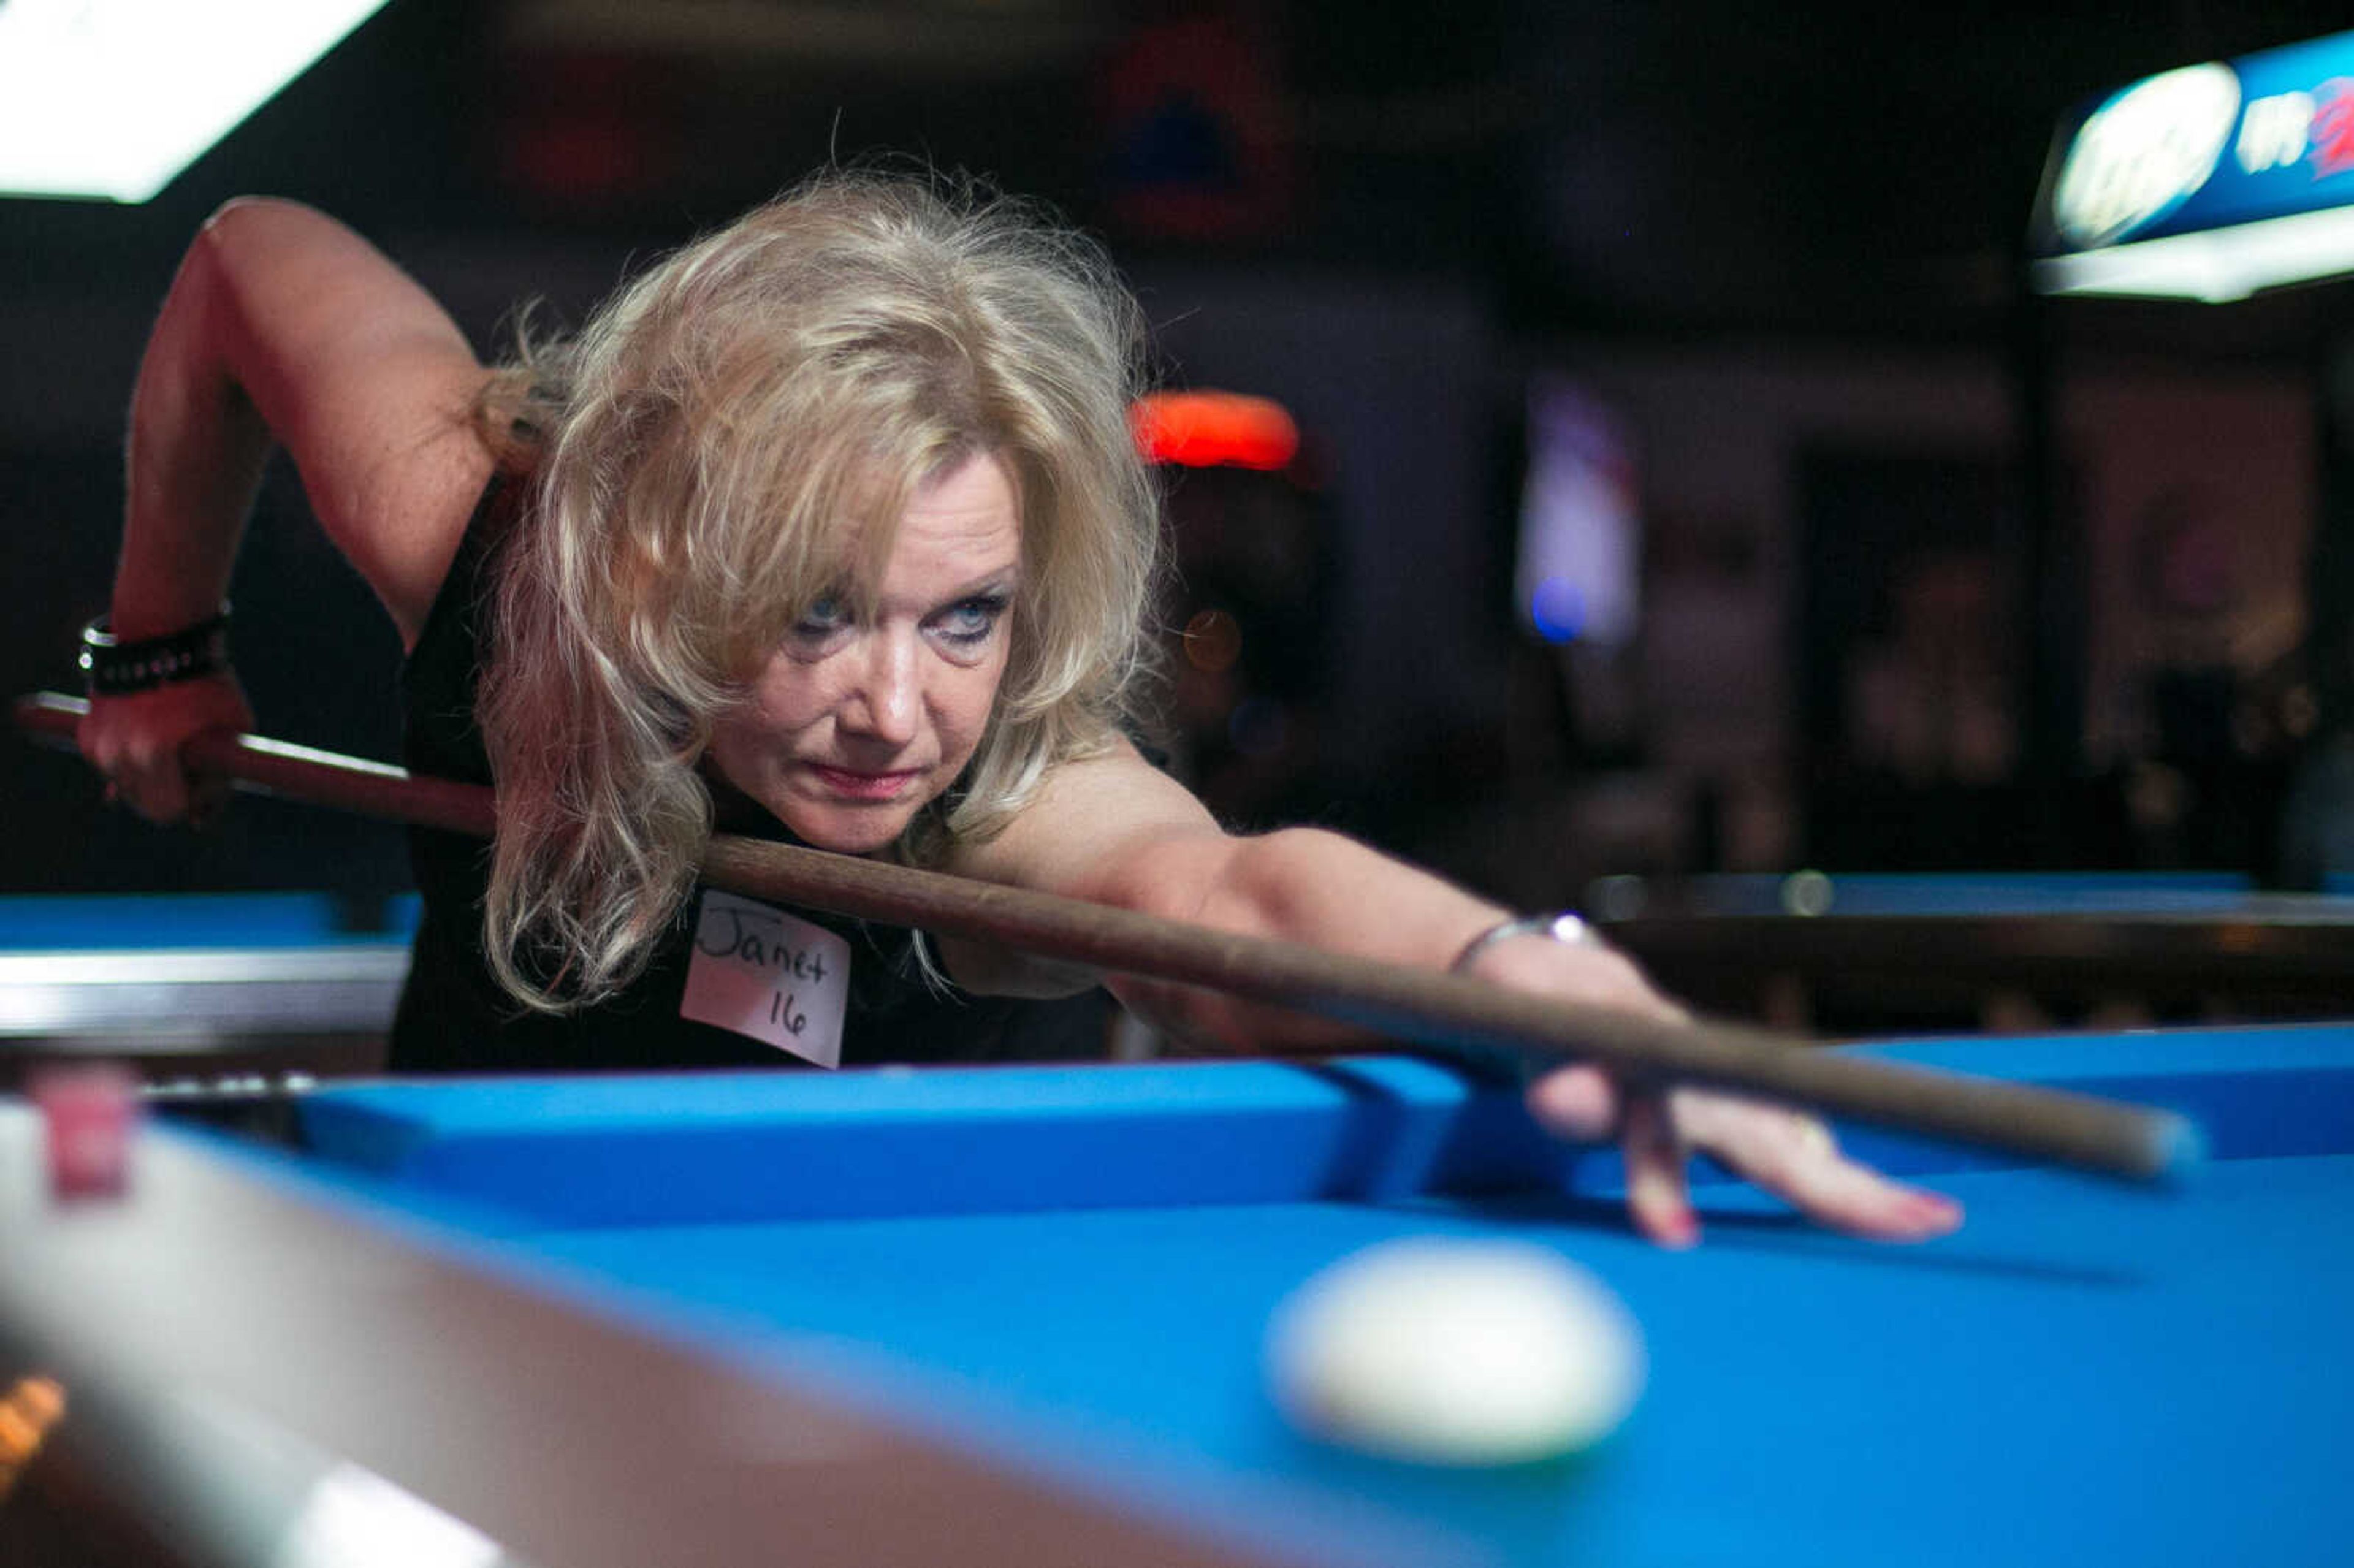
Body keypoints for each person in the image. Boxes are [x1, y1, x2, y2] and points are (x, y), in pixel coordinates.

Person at [77, 172, 1961, 1249]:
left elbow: (1228, 907)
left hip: (901, 1352)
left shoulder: (1009, 785)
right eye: (815, 615)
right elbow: (249, 251)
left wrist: (1513, 967)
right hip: (453, 1281)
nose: (897, 711)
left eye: (965, 615)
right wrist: (163, 642)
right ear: (660, 570)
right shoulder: (506, 549)